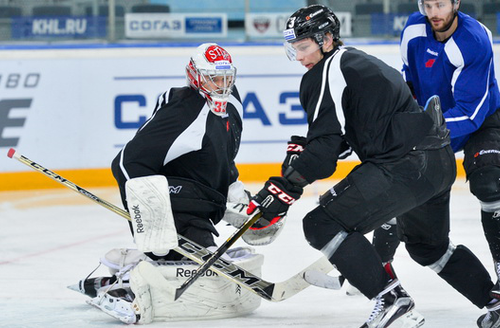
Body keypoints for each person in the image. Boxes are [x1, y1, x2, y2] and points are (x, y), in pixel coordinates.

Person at [245, 4, 498, 327]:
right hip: (436, 161)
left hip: (405, 162)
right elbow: (339, 140)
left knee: (320, 224)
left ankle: (391, 301)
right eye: (294, 49)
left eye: (304, 47)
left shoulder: (326, 71)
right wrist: (302, 159)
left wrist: (281, 190)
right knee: (428, 247)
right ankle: (493, 301)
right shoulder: (355, 61)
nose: (299, 57)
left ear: (326, 40)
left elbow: (324, 153)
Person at [69, 43, 263, 324]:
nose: (221, 85)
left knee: (193, 255)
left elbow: (222, 151)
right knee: (187, 258)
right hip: (180, 203)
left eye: (226, 78)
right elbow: (125, 163)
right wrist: (149, 223)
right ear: (195, 76)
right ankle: (144, 267)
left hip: (204, 201)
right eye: (213, 78)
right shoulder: (184, 110)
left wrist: (233, 186)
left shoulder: (233, 101)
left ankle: (136, 263)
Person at [373, 1, 500, 325]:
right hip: (430, 125)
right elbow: (408, 84)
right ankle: (378, 264)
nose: (434, 12)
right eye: (427, 4)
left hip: (483, 122)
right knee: (419, 230)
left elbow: (472, 113)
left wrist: (421, 130)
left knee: (489, 183)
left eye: (441, 3)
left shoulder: (474, 40)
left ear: (456, 3)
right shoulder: (414, 30)